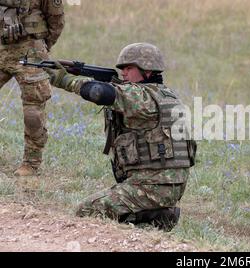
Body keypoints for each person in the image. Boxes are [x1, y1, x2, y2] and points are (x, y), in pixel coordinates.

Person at [44, 43, 196, 231]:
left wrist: (64, 80)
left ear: (147, 71)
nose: (123, 73)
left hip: (152, 186)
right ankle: (156, 217)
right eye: (122, 68)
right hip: (166, 186)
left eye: (129, 68)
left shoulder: (141, 96)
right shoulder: (166, 95)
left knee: (86, 211)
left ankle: (154, 218)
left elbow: (100, 93)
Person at [0, 0, 65, 176]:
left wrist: (43, 47)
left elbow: (56, 19)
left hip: (30, 50)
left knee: (33, 111)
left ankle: (31, 162)